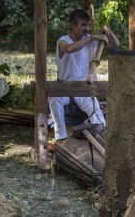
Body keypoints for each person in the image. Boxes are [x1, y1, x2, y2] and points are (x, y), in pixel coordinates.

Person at [48, 9, 119, 142]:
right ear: (72, 25)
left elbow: (115, 44)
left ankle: (102, 142)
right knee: (54, 98)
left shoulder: (90, 40)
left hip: (85, 90)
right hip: (65, 89)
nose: (86, 29)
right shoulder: (63, 41)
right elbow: (69, 49)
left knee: (99, 121)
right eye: (83, 25)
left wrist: (108, 32)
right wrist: (94, 37)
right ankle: (61, 138)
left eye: (88, 25)